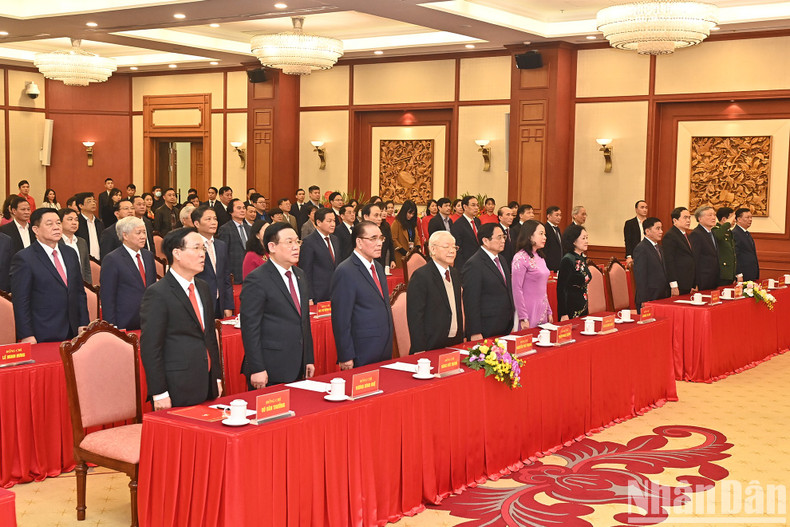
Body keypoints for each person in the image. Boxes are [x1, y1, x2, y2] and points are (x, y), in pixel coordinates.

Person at [140, 228, 223, 409]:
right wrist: (159, 392)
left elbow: (209, 336)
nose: (202, 254)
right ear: (177, 253)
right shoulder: (158, 293)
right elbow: (151, 347)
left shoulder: (203, 287)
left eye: (203, 249)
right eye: (196, 248)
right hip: (177, 385)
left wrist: (216, 377)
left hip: (207, 381)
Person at [241, 223, 315, 388]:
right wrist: (257, 368)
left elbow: (304, 321)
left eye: (297, 241)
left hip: (298, 363)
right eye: (289, 242)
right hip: (270, 367)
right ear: (272, 247)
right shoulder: (257, 279)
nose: (296, 247)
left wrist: (308, 358)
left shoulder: (300, 275)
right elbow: (250, 328)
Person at [11, 208, 89, 343]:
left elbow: (79, 292)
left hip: (73, 331)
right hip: (43, 332)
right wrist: (26, 334)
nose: (56, 227)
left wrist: (83, 323)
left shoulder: (70, 253)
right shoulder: (24, 258)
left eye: (58, 223)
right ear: (35, 229)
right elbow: (21, 301)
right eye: (49, 224)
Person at [331, 220, 394, 369]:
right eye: (373, 238)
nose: (379, 243)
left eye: (381, 238)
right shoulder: (346, 270)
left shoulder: (378, 267)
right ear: (359, 242)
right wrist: (346, 355)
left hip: (384, 346)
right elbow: (341, 318)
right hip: (362, 349)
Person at [406, 231, 464, 354]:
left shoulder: (454, 273)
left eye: (454, 247)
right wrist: (419, 348)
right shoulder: (421, 276)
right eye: (446, 246)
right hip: (430, 345)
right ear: (433, 249)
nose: (452, 251)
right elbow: (415, 316)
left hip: (454, 343)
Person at [99, 217, 157, 330]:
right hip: (124, 322)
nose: (143, 236)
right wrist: (111, 326)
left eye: (144, 232)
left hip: (149, 320)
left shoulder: (148, 256)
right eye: (138, 233)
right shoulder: (112, 259)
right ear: (125, 235)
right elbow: (107, 296)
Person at [462, 223, 514, 340]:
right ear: (485, 241)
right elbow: (471, 301)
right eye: (499, 237)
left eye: (504, 237)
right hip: (487, 326)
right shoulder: (474, 264)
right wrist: (475, 331)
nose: (503, 241)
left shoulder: (502, 259)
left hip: (506, 324)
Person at [192, 206, 234, 318]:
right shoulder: (191, 246)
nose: (213, 222)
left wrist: (228, 305)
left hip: (219, 303)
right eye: (208, 219)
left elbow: (226, 277)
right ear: (197, 223)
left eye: (215, 219)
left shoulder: (221, 245)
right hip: (199, 302)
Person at [511, 219, 552, 329]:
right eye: (541, 234)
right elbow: (516, 289)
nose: (545, 237)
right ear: (530, 236)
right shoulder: (520, 258)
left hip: (542, 308)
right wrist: (523, 317)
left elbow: (543, 288)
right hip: (527, 309)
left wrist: (549, 310)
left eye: (545, 234)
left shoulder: (540, 256)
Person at [299, 208, 340, 303]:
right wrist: (309, 297)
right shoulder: (309, 242)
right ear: (318, 222)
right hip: (319, 294)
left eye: (334, 221)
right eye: (329, 221)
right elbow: (305, 271)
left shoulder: (335, 240)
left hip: (336, 291)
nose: (333, 224)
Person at [633, 217, 671, 311]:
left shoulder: (659, 248)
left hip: (662, 295)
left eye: (661, 228)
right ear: (647, 231)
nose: (661, 231)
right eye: (657, 229)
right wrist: (643, 300)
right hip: (649, 297)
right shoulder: (641, 248)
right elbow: (640, 276)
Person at [556, 224, 590, 320]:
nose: (586, 241)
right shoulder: (568, 259)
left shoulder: (581, 258)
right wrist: (563, 313)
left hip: (582, 304)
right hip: (570, 307)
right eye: (583, 238)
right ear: (574, 241)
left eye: (587, 238)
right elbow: (561, 289)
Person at [662, 207, 696, 296]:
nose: (688, 220)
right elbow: (669, 262)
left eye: (689, 217)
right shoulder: (670, 236)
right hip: (678, 283)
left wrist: (693, 283)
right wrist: (674, 285)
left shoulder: (686, 235)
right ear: (675, 220)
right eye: (685, 217)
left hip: (687, 282)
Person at [216, 198, 250, 283]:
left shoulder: (249, 228)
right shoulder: (225, 229)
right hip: (234, 273)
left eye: (244, 208)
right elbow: (223, 253)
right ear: (231, 211)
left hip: (249, 272)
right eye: (239, 208)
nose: (242, 210)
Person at [689, 206, 720, 292]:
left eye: (714, 215)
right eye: (710, 215)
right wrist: (695, 282)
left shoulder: (712, 233)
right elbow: (695, 259)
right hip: (702, 280)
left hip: (713, 279)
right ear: (700, 219)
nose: (713, 218)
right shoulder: (696, 234)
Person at [59, 208, 92, 283]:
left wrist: (88, 285)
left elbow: (86, 269)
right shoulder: (55, 243)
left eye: (76, 220)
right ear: (60, 222)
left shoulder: (82, 242)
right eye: (70, 219)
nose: (74, 223)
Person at [450, 195, 481, 271]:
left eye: (477, 205)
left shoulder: (477, 221)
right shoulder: (458, 224)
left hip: (479, 262)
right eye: (473, 205)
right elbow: (458, 249)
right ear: (465, 207)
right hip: (466, 264)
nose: (476, 208)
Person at [361, 203, 396, 269]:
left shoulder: (384, 228)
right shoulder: (359, 233)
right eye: (376, 215)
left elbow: (390, 244)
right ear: (366, 217)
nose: (380, 219)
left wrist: (392, 259)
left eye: (380, 215)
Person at [391, 199, 421, 267]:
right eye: (409, 213)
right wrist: (404, 251)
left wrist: (418, 247)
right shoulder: (397, 223)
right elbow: (393, 239)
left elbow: (417, 237)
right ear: (404, 211)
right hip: (400, 255)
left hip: (412, 256)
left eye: (413, 214)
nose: (411, 216)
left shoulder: (413, 223)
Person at [713, 206, 737, 286]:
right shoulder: (715, 229)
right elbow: (717, 236)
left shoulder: (728, 232)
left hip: (729, 274)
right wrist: (727, 224)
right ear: (724, 219)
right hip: (722, 273)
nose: (734, 220)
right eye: (732, 218)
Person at [733, 207, 759, 281]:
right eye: (747, 217)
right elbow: (735, 255)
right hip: (743, 274)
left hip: (751, 272)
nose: (750, 220)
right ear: (739, 219)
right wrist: (738, 273)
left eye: (751, 217)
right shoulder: (735, 233)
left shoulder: (746, 233)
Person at [624, 200, 648, 266]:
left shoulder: (650, 223)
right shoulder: (630, 223)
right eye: (642, 207)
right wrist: (629, 256)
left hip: (648, 253)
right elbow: (628, 241)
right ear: (636, 209)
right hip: (636, 254)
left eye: (646, 208)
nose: (645, 210)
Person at [543, 205, 563, 272]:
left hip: (558, 264)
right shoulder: (545, 228)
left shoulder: (557, 229)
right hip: (549, 265)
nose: (559, 217)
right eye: (556, 215)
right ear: (549, 216)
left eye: (560, 215)